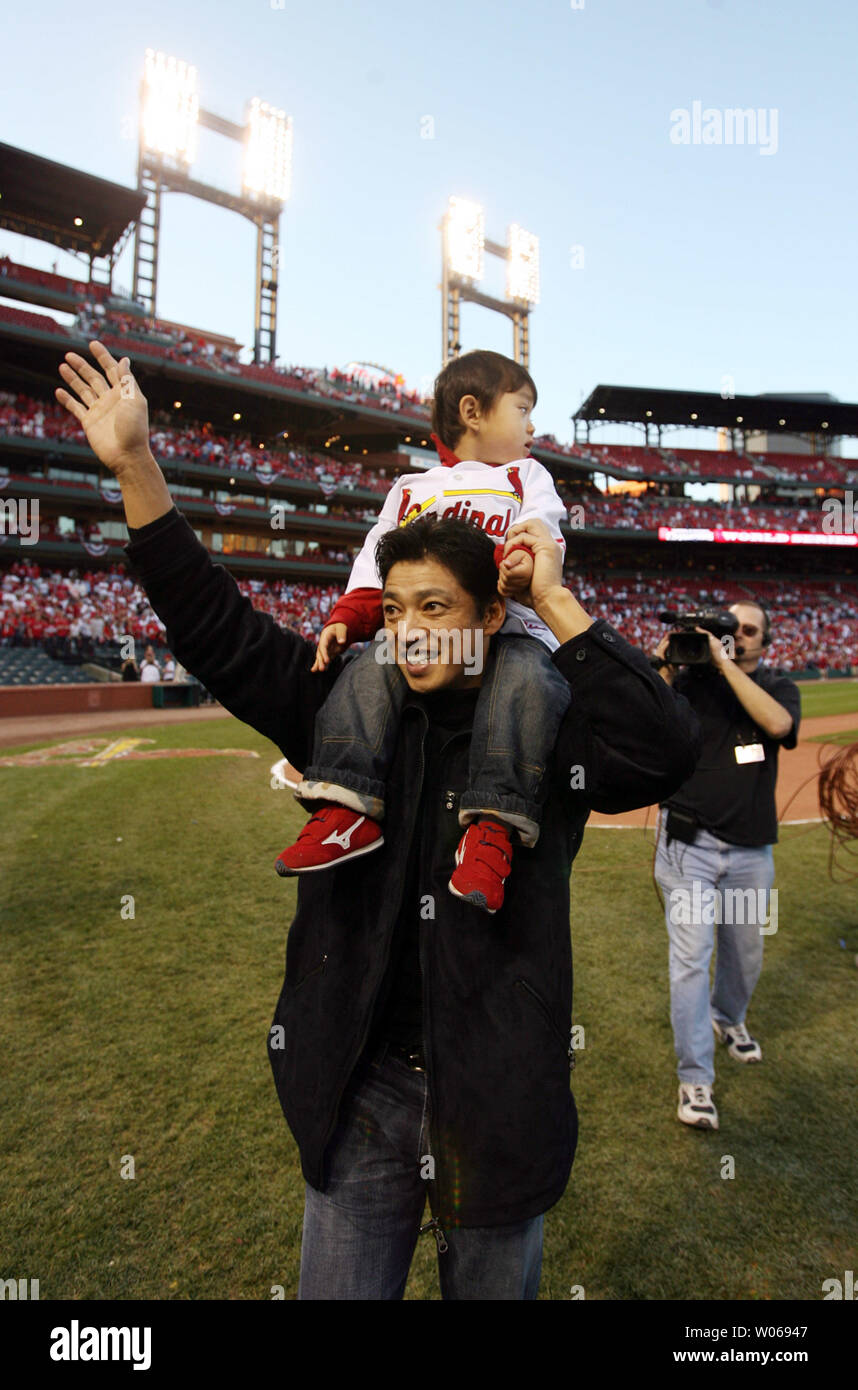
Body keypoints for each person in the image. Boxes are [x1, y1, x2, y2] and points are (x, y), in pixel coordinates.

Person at [54, 341, 699, 1300]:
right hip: (360, 1093)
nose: (409, 629)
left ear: (488, 617)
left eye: (435, 606)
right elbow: (217, 632)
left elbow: (663, 749)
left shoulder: (546, 721)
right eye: (395, 610)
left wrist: (554, 597)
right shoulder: (345, 701)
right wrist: (138, 467)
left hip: (496, 1096)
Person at [275, 350, 572, 914]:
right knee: (368, 669)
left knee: (529, 682)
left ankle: (492, 829)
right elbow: (375, 560)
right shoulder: (411, 488)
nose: (533, 425)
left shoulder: (527, 476)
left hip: (511, 630)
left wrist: (525, 561)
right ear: (473, 411)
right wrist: (350, 617)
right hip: (427, 634)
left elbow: (544, 530)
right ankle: (346, 806)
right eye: (524, 408)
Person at [651, 604, 801, 1130]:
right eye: (726, 626)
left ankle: (729, 1018)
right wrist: (667, 659)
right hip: (689, 845)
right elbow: (642, 713)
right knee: (691, 958)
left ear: (764, 641)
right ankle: (695, 1080)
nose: (734, 634)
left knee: (746, 952)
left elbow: (779, 725)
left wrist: (725, 665)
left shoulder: (779, 686)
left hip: (749, 849)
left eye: (747, 629)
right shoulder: (691, 681)